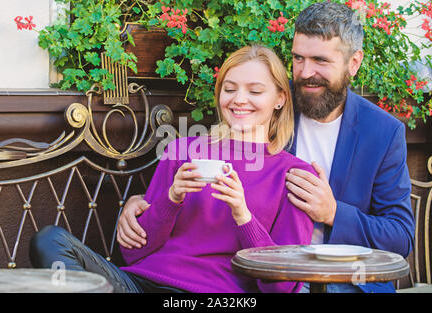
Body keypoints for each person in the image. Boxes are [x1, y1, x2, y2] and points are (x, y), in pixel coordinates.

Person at [119, 2, 415, 293]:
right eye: (299, 59)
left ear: (354, 62)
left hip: (337, 277)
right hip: (241, 272)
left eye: (321, 61)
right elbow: (219, 148)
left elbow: (400, 237)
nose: (305, 72)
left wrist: (333, 212)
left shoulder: (383, 132)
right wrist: (145, 203)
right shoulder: (263, 103)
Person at [29, 45, 316, 293]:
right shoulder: (182, 151)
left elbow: (282, 286)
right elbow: (133, 253)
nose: (239, 99)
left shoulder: (293, 175)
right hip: (140, 284)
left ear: (280, 98)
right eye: (229, 89)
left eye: (255, 91)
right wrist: (171, 198)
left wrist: (243, 214)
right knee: (50, 241)